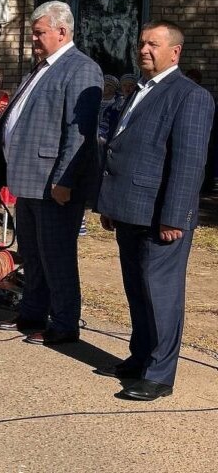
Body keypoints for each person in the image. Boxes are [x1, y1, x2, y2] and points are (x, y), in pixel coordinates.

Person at [96, 21, 214, 401]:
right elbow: (124, 146)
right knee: (137, 289)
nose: (144, 50)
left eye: (154, 44)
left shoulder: (189, 96)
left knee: (160, 292)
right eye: (142, 43)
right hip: (130, 208)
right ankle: (141, 357)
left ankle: (160, 375)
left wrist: (174, 217)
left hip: (161, 215)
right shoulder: (140, 90)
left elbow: (189, 162)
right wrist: (110, 204)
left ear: (174, 52)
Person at [0, 1, 103, 345]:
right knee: (33, 255)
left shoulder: (80, 69)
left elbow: (78, 133)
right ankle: (31, 313)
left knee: (58, 258)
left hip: (54, 184)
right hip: (28, 180)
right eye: (34, 33)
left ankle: (64, 324)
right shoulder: (39, 68)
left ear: (62, 32)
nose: (34, 40)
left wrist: (64, 180)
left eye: (40, 33)